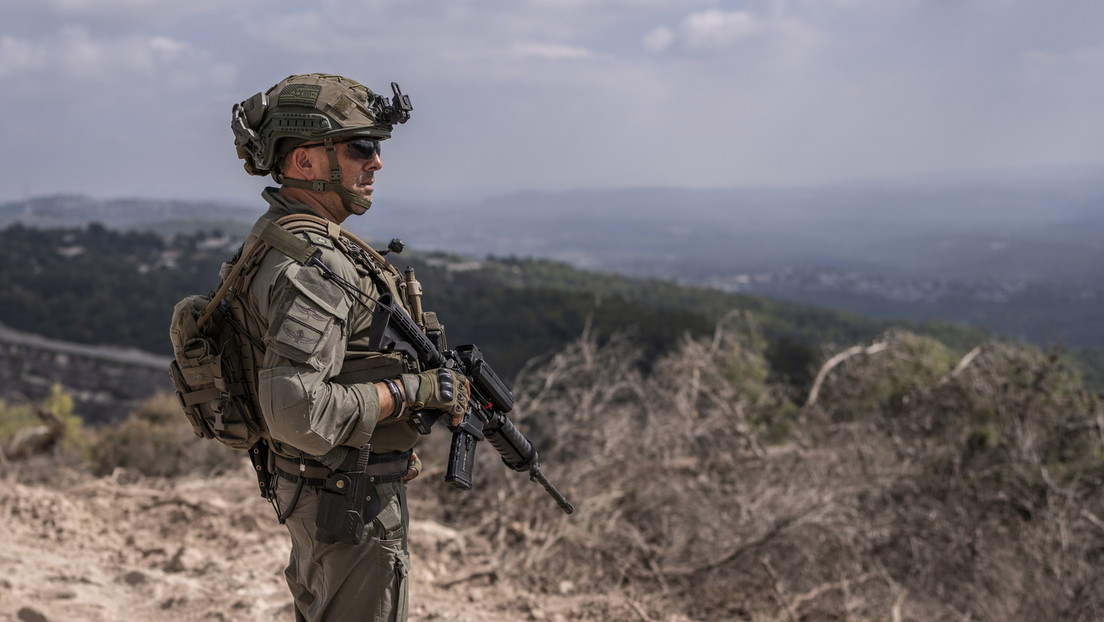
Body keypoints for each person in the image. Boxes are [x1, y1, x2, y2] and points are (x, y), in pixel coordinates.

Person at [224, 73, 469, 621]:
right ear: (305, 160)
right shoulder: (316, 267)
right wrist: (409, 392)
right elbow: (296, 411)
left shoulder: (283, 235)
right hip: (346, 506)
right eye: (362, 146)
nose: (376, 162)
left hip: (325, 496)